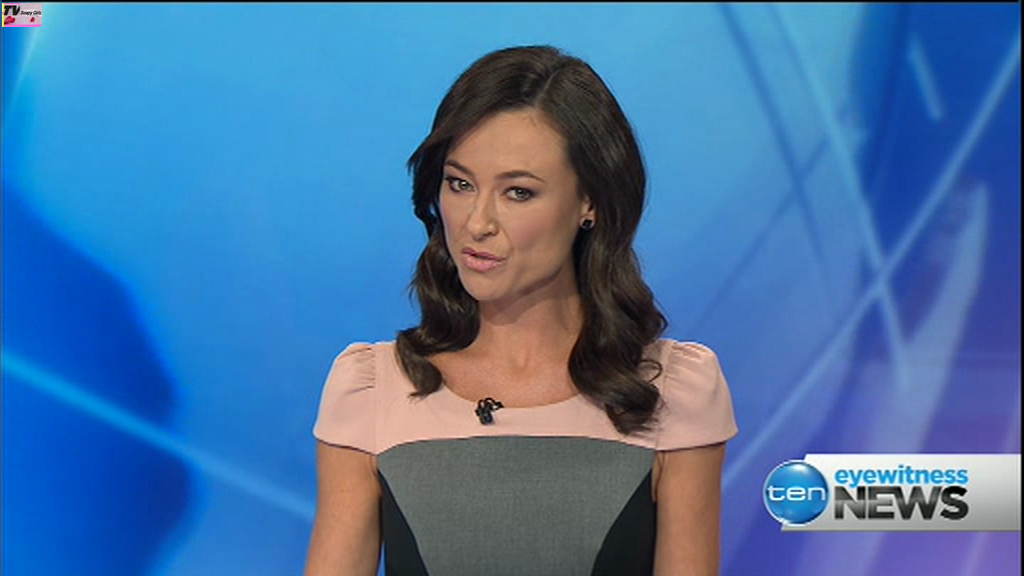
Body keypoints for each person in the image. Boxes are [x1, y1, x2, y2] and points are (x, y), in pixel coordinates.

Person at [305, 45, 738, 576]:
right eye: (460, 184)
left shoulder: (670, 391)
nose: (477, 223)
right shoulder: (372, 391)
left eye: (518, 192)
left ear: (590, 202)